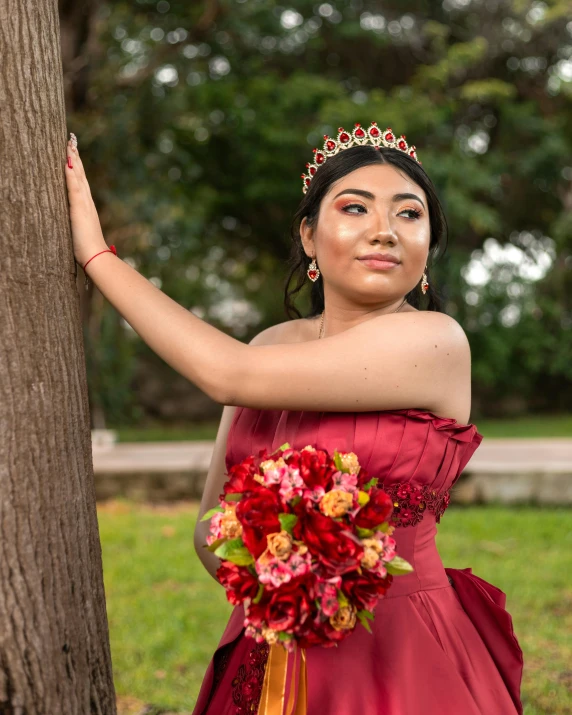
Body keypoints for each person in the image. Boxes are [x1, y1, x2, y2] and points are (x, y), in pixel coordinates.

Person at [65, 122, 524, 715]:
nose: (384, 231)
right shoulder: (270, 344)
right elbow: (211, 527)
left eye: (409, 215)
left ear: (428, 245)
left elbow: (228, 374)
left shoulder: (434, 342)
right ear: (309, 236)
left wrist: (97, 257)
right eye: (354, 208)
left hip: (402, 649)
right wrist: (280, 573)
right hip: (271, 644)